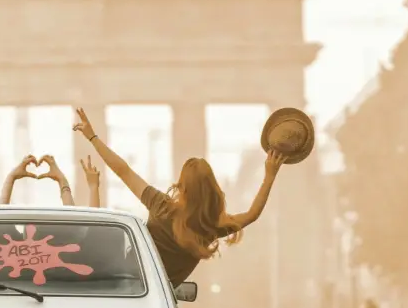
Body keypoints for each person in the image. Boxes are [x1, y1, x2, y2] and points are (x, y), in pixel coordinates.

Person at [72, 106, 285, 287]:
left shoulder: (161, 206)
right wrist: (270, 175)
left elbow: (124, 171)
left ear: (181, 186)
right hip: (153, 296)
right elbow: (252, 214)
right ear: (212, 189)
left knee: (107, 232)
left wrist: (93, 137)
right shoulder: (210, 226)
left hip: (122, 281)